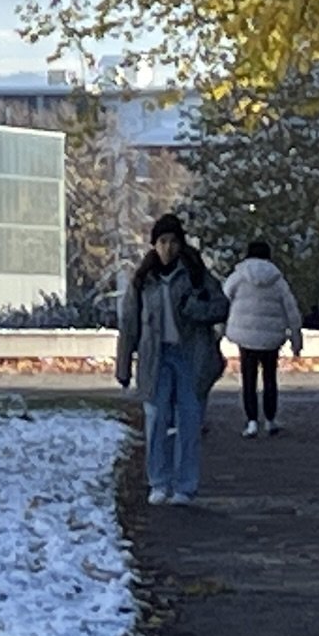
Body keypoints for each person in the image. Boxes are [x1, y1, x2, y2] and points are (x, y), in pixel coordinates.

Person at [116, 212, 227, 501]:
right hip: (155, 357)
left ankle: (185, 485)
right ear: (154, 245)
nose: (168, 248)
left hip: (190, 356)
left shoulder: (195, 274)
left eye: (173, 242)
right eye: (162, 242)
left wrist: (195, 309)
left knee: (189, 422)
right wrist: (124, 365)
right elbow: (129, 324)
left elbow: (221, 306)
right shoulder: (143, 280)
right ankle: (159, 481)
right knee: (156, 420)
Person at [223, 238, 306, 434]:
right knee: (270, 378)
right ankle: (270, 419)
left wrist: (219, 329)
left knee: (248, 379)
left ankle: (251, 421)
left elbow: (223, 299)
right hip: (272, 336)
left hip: (245, 335)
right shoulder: (278, 280)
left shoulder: (238, 276)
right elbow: (291, 310)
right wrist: (296, 339)